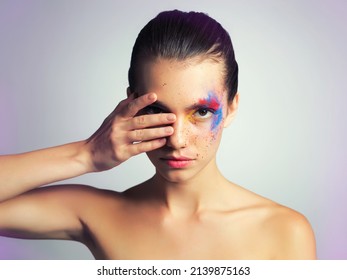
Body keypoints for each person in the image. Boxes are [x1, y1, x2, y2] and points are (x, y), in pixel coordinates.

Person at [0, 10, 316, 259]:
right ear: (131, 105)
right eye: (157, 112)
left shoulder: (284, 231)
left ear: (232, 107)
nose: (177, 140)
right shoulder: (98, 214)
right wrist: (87, 154)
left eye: (201, 112)